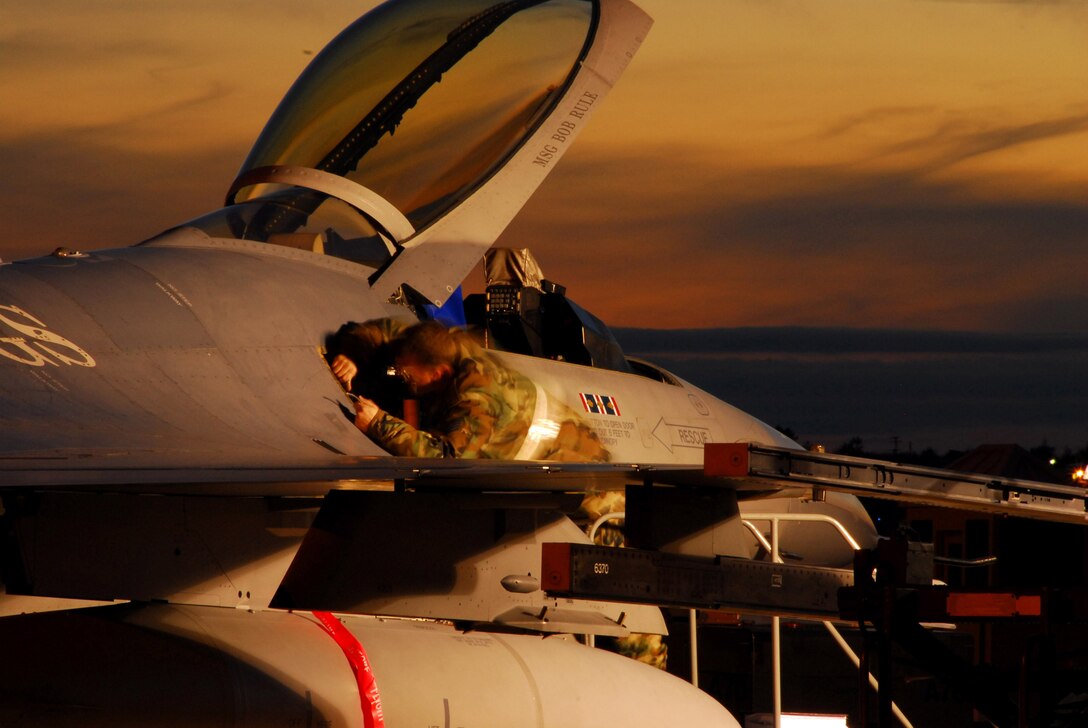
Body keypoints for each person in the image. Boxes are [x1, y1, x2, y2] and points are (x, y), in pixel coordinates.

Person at [332, 318, 609, 462]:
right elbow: (382, 331)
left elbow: (449, 459)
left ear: (438, 374)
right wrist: (353, 356)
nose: (402, 379)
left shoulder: (478, 398)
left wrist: (380, 423)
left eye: (407, 375)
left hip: (579, 468)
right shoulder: (434, 344)